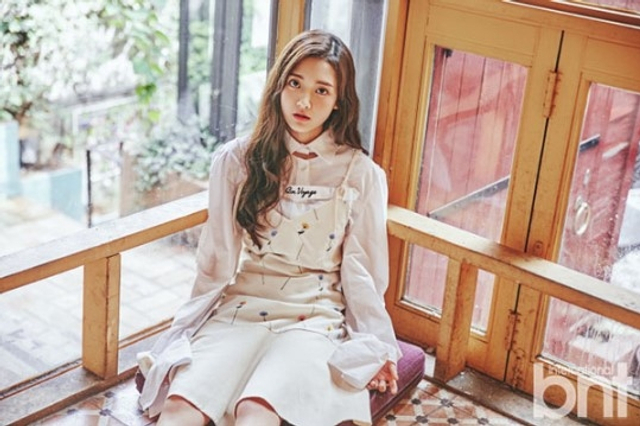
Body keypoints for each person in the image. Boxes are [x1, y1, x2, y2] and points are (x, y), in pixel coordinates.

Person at [136, 29, 402, 426]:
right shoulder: (236, 160)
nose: (304, 101)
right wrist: (183, 328)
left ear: (339, 102)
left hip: (314, 316)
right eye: (295, 84)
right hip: (242, 306)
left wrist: (375, 343)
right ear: (278, 85)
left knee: (256, 411)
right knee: (181, 409)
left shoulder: (361, 173)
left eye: (321, 90)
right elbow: (216, 261)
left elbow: (362, 273)